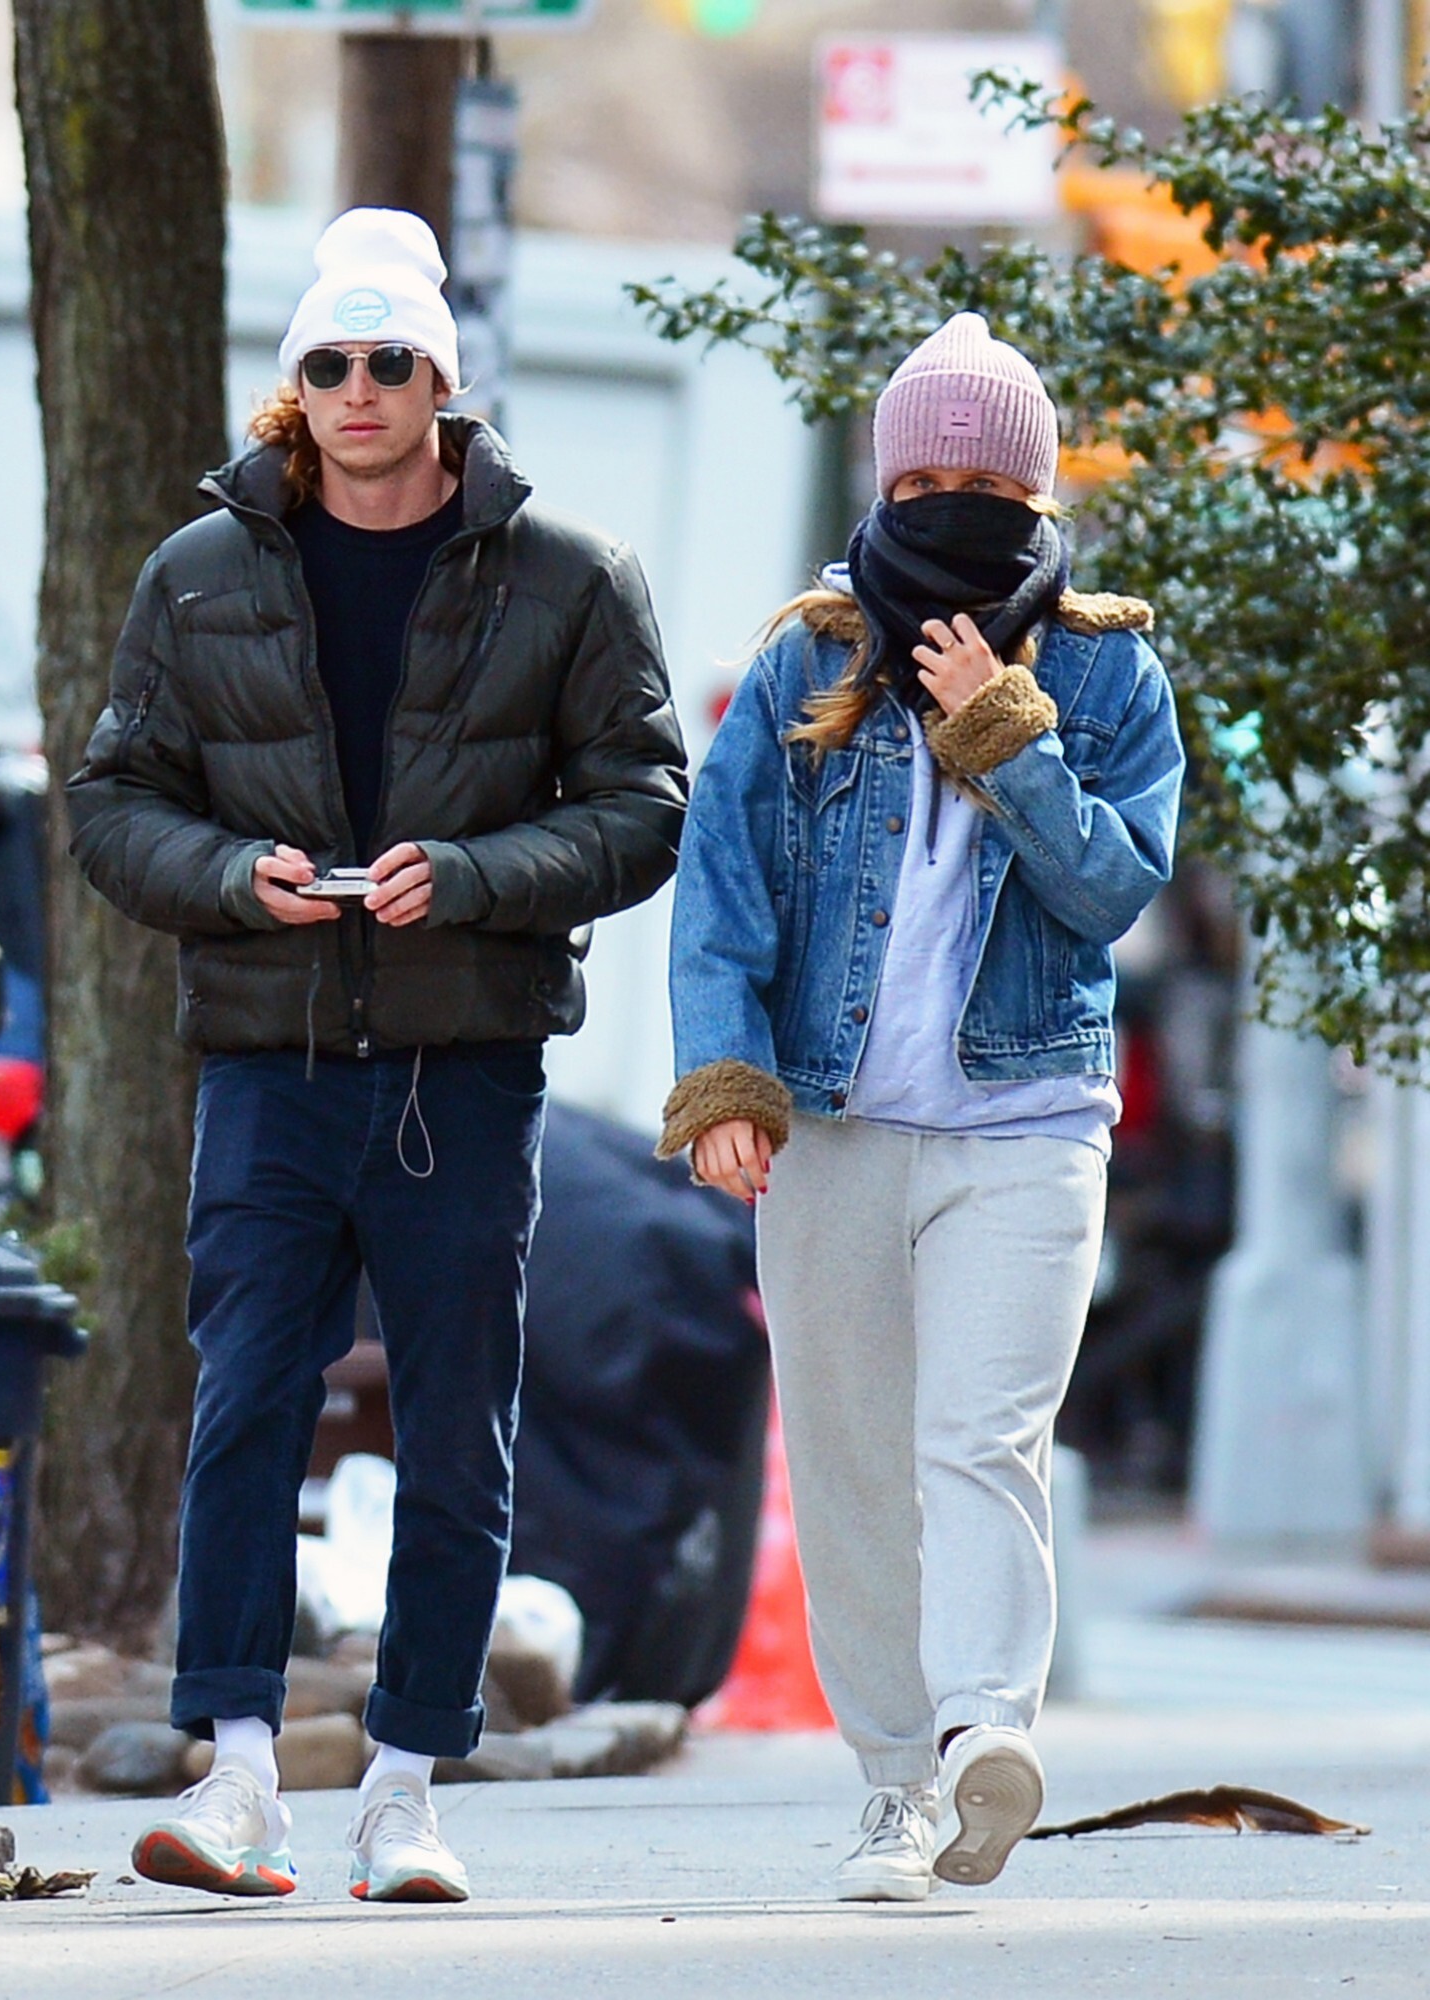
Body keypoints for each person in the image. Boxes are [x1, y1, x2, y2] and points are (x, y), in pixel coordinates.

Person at [68, 208, 686, 1905]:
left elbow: (645, 808)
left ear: (441, 382)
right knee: (244, 1410)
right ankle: (238, 1778)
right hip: (267, 1060)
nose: (359, 388)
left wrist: (471, 877)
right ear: (297, 383)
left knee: (458, 1432)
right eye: (330, 361)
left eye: (392, 359)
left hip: (461, 1068)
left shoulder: (568, 574)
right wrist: (231, 879)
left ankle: (408, 1791)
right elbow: (113, 804)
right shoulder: (198, 573)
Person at [657, 313, 1185, 1902]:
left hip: (1027, 1125)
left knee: (984, 1440)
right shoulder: (806, 658)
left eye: (991, 486)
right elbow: (722, 889)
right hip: (831, 1129)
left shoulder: (1106, 668)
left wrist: (1005, 734)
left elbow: (1113, 893)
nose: (956, 506)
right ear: (883, 487)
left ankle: (979, 1740)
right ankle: (893, 1787)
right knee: (848, 1464)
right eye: (923, 481)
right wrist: (727, 1081)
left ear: (1038, 494)